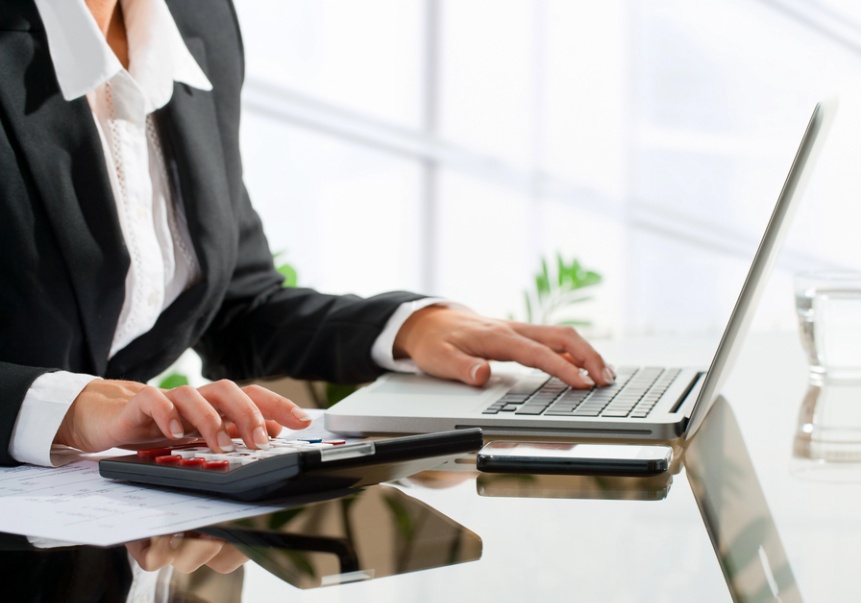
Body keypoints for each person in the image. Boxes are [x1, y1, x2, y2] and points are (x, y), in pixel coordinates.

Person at [0, 0, 615, 467]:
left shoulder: (197, 19)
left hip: (122, 548)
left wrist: (407, 328)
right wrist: (69, 411)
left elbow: (239, 306)